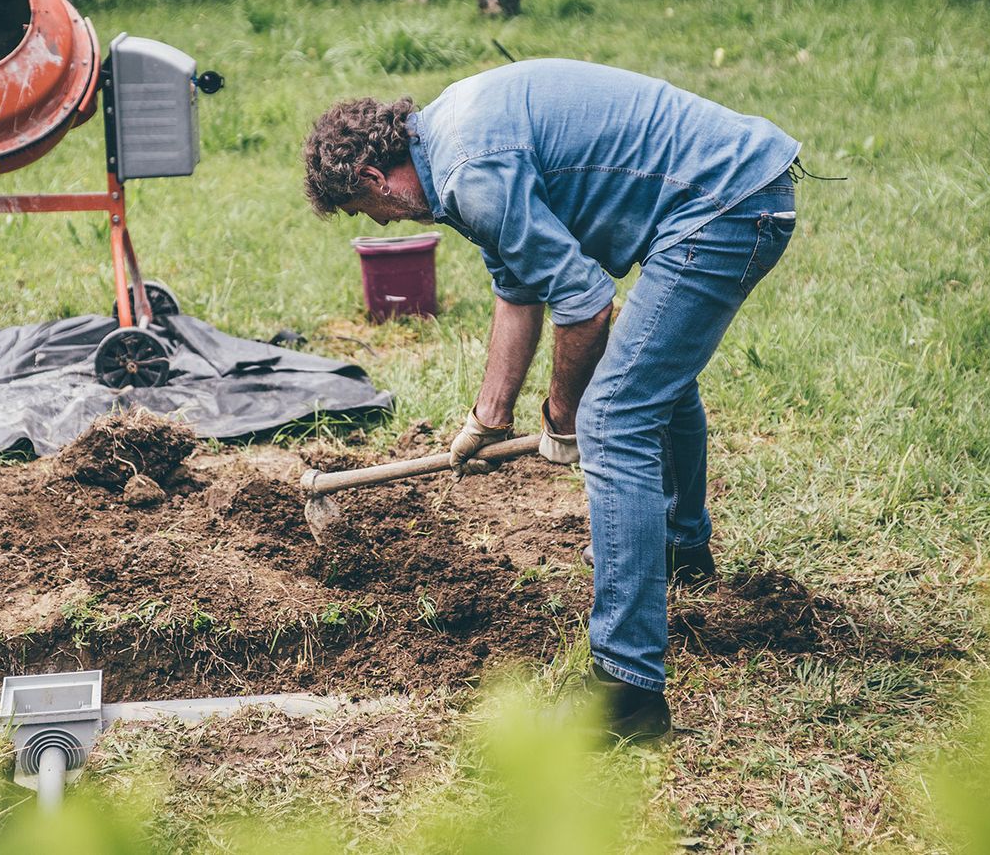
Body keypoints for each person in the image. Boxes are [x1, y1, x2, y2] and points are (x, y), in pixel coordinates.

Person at [301, 59, 802, 742]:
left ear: (371, 177)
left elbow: (587, 306)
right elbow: (519, 289)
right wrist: (488, 418)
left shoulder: (467, 172)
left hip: (726, 203)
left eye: (370, 212)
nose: (383, 223)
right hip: (732, 188)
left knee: (614, 416)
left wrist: (564, 418)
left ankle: (626, 694)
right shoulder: (450, 137)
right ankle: (681, 548)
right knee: (653, 375)